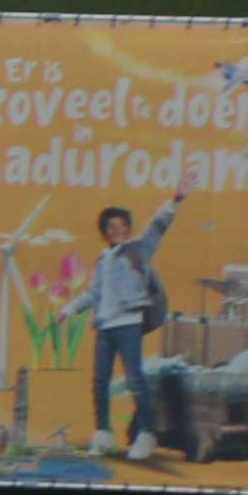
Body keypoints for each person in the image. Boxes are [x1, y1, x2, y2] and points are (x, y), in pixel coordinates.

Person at [86, 174, 186, 452]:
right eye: (111, 226)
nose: (117, 230)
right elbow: (93, 293)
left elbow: (157, 227)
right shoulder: (102, 259)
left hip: (128, 322)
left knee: (134, 380)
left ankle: (147, 433)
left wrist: (176, 199)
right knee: (99, 381)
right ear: (104, 232)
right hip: (104, 326)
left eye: (122, 225)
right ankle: (103, 432)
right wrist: (68, 310)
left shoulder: (139, 249)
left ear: (128, 228)